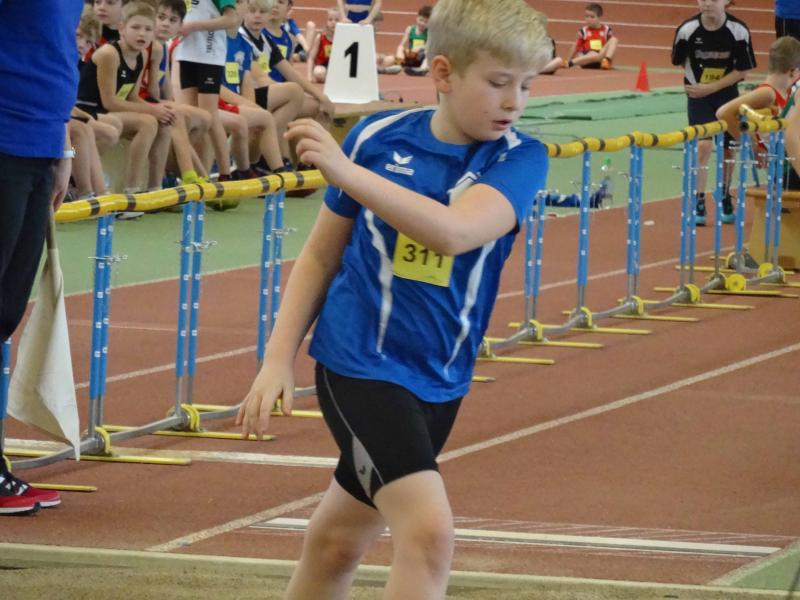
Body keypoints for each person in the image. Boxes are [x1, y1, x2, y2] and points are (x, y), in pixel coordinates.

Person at [236, 0, 551, 596]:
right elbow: (321, 256)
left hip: (441, 377)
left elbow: (454, 233)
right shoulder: (377, 140)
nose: (514, 101)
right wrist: (277, 358)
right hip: (360, 365)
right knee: (428, 534)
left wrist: (345, 172)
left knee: (336, 542)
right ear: (443, 73)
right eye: (498, 83)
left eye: (527, 85)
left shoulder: (519, 157)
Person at [0, 0, 81, 516]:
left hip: (38, 142)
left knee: (5, 312)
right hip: (4, 138)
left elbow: (55, 51)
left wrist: (62, 145)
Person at [75, 2, 178, 196]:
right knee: (148, 122)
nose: (142, 34)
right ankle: (132, 190)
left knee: (165, 122)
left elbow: (133, 96)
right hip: (89, 108)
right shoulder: (109, 54)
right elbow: (110, 102)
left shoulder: (141, 55)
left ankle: (155, 188)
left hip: (110, 110)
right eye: (136, 27)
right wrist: (153, 110)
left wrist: (159, 109)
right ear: (122, 28)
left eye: (148, 29)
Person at [671, 0, 756, 226]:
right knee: (703, 145)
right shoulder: (687, 30)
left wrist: (711, 87)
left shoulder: (738, 30)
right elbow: (680, 61)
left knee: (728, 149)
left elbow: (743, 71)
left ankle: (725, 193)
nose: (707, 3)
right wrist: (696, 85)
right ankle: (699, 199)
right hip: (698, 95)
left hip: (727, 95)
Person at [173, 0, 239, 181]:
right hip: (186, 52)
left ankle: (225, 174)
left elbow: (231, 19)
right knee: (191, 117)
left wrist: (194, 26)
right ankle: (197, 173)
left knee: (209, 115)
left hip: (209, 56)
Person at [564, 3, 617, 70]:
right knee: (594, 54)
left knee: (614, 39)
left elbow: (610, 48)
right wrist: (568, 59)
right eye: (587, 16)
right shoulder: (583, 31)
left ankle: (606, 61)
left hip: (600, 57)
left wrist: (610, 60)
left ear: (599, 17)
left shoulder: (607, 30)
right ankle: (570, 63)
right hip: (587, 56)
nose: (588, 19)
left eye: (592, 17)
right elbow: (575, 47)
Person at [395, 5, 431, 76]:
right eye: (421, 20)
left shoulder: (429, 31)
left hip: (422, 57)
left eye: (426, 22)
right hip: (411, 56)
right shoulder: (410, 29)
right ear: (417, 18)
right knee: (399, 48)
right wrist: (405, 51)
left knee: (428, 51)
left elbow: (430, 45)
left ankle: (422, 69)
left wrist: (420, 47)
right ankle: (398, 66)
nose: (422, 23)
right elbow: (402, 44)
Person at [307, 7, 337, 83]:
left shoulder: (343, 38)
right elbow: (311, 58)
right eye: (330, 20)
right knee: (318, 72)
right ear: (326, 22)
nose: (333, 22)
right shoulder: (320, 37)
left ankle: (332, 80)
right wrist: (309, 76)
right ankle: (329, 80)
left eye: (337, 20)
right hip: (323, 66)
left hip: (337, 67)